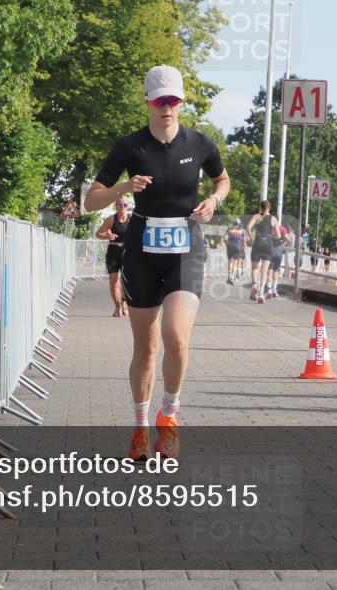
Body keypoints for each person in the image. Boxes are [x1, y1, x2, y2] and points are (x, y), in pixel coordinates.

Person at [84, 65, 230, 459]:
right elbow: (91, 201)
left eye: (173, 100)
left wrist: (215, 200)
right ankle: (139, 426)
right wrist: (123, 187)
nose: (166, 107)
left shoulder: (199, 143)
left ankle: (169, 416)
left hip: (186, 247)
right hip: (142, 252)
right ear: (148, 102)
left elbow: (223, 179)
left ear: (181, 102)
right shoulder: (130, 147)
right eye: (159, 100)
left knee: (177, 338)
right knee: (146, 348)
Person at [95, 196, 132, 316]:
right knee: (114, 282)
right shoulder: (111, 219)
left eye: (124, 205)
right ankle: (117, 307)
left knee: (126, 282)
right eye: (120, 205)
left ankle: (124, 302)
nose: (122, 207)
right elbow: (98, 234)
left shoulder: (132, 219)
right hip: (113, 252)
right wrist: (107, 236)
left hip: (127, 252)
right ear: (116, 206)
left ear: (128, 206)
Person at [247, 201, 279, 303]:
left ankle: (254, 286)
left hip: (258, 242)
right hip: (268, 244)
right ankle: (261, 294)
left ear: (260, 207)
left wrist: (250, 237)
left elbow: (248, 227)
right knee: (264, 271)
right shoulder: (274, 219)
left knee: (255, 267)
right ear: (269, 208)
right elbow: (278, 235)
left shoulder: (256, 216)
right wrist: (272, 236)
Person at [265, 226, 289, 298]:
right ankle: (274, 290)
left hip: (270, 250)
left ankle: (269, 290)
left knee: (269, 270)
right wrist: (281, 245)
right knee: (276, 270)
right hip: (279, 251)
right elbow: (287, 239)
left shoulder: (268, 228)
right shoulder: (282, 229)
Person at [225, 219, 246, 285]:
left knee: (230, 261)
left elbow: (225, 238)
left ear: (233, 223)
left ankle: (229, 277)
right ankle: (233, 277)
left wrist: (227, 244)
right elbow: (244, 240)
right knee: (235, 262)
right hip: (238, 246)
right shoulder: (242, 230)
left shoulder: (229, 229)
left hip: (230, 245)